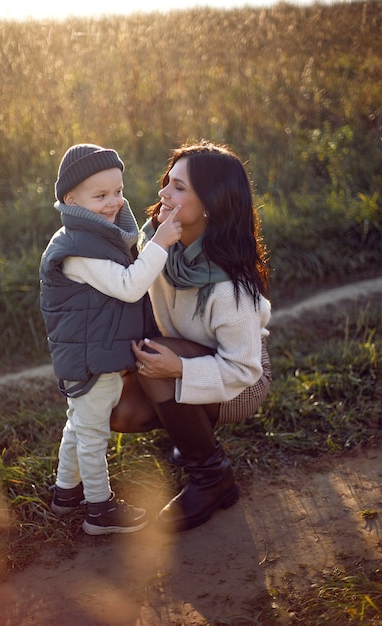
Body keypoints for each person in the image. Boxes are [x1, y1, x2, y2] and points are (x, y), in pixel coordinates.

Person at [110, 140, 272, 533]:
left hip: (240, 381)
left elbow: (244, 368)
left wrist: (179, 368)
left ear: (211, 205)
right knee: (120, 410)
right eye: (168, 180)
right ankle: (189, 428)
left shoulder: (232, 289)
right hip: (179, 358)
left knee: (155, 359)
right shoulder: (159, 245)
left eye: (179, 187)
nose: (163, 191)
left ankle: (211, 476)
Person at [39, 143, 182, 535]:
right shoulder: (78, 250)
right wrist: (160, 243)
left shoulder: (91, 236)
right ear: (71, 199)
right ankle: (99, 510)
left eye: (117, 191)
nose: (112, 202)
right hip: (91, 361)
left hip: (92, 354)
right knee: (92, 433)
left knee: (79, 426)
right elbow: (129, 286)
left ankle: (66, 494)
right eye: (99, 196)